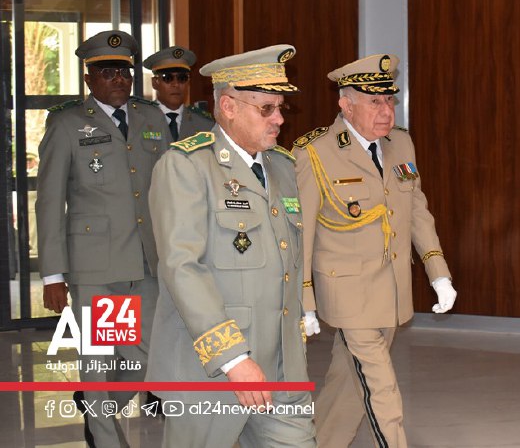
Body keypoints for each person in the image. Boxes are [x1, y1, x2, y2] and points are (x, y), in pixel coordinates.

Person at [146, 44, 316, 448]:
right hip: (213, 368)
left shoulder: (283, 167)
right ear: (228, 106)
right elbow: (182, 267)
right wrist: (234, 359)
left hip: (281, 367)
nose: (278, 119)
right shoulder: (187, 166)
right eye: (266, 109)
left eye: (281, 108)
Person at [292, 54, 458, 447]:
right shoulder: (314, 152)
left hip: (391, 291)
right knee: (381, 387)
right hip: (347, 294)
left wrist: (439, 274)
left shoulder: (400, 143)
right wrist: (304, 300)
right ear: (345, 104)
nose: (386, 112)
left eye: (389, 102)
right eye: (374, 102)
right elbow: (303, 232)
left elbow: (416, 209)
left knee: (348, 382)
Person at [36, 30, 170, 447]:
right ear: (89, 77)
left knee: (147, 361)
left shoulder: (150, 118)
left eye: (124, 71)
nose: (118, 79)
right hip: (97, 267)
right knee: (97, 363)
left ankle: (99, 415)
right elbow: (49, 200)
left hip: (147, 262)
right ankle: (106, 437)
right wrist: (52, 274)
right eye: (107, 71)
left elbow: (170, 188)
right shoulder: (68, 123)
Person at [143, 45, 214, 143]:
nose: (176, 84)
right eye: (167, 78)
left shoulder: (204, 124)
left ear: (188, 82)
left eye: (182, 78)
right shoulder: (140, 121)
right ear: (155, 82)